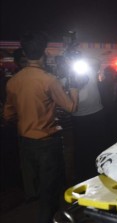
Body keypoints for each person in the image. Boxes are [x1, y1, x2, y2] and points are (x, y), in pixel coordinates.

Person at [3, 31, 79, 223]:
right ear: (44, 52)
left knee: (36, 190)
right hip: (47, 142)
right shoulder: (49, 80)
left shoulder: (13, 81)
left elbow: (8, 115)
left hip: (26, 143)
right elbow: (71, 107)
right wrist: (75, 88)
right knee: (50, 193)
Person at [70, 58, 107, 183]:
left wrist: (84, 61)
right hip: (79, 118)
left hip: (97, 113)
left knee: (99, 145)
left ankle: (100, 171)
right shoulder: (68, 78)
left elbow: (96, 62)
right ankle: (84, 175)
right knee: (83, 148)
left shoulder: (89, 71)